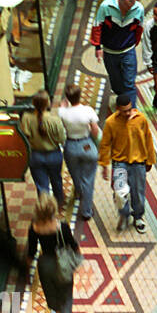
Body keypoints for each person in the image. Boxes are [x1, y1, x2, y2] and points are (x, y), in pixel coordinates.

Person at [25, 195, 80, 313]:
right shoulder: (61, 227)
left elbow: (31, 252)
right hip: (63, 264)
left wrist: (27, 272)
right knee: (65, 295)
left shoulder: (34, 228)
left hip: (45, 266)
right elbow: (74, 246)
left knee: (53, 296)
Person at [98, 93, 155, 234]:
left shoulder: (141, 119)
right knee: (119, 193)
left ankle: (138, 217)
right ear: (117, 108)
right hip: (119, 163)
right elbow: (105, 144)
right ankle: (124, 215)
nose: (128, 113)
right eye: (124, 111)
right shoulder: (111, 122)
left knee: (138, 192)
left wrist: (150, 160)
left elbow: (148, 140)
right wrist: (104, 164)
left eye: (129, 109)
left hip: (138, 162)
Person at [90, 0, 145, 102]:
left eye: (131, 8)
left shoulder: (138, 9)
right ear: (121, 0)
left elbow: (139, 28)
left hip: (128, 51)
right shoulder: (106, 6)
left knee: (130, 84)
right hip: (110, 52)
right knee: (116, 83)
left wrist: (134, 43)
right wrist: (97, 47)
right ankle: (122, 102)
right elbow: (97, 27)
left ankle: (131, 113)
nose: (128, 10)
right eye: (126, 7)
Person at [58, 84, 100, 225]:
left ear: (68, 98)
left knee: (76, 175)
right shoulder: (88, 110)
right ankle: (86, 211)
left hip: (71, 146)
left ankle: (79, 192)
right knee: (88, 179)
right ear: (79, 95)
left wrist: (63, 105)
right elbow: (95, 130)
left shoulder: (63, 112)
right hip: (86, 144)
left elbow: (61, 111)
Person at [22, 91, 65, 207]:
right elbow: (62, 139)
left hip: (35, 156)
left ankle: (45, 209)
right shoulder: (54, 120)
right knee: (56, 180)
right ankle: (59, 204)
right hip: (54, 155)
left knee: (42, 186)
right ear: (47, 103)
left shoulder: (26, 118)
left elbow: (25, 137)